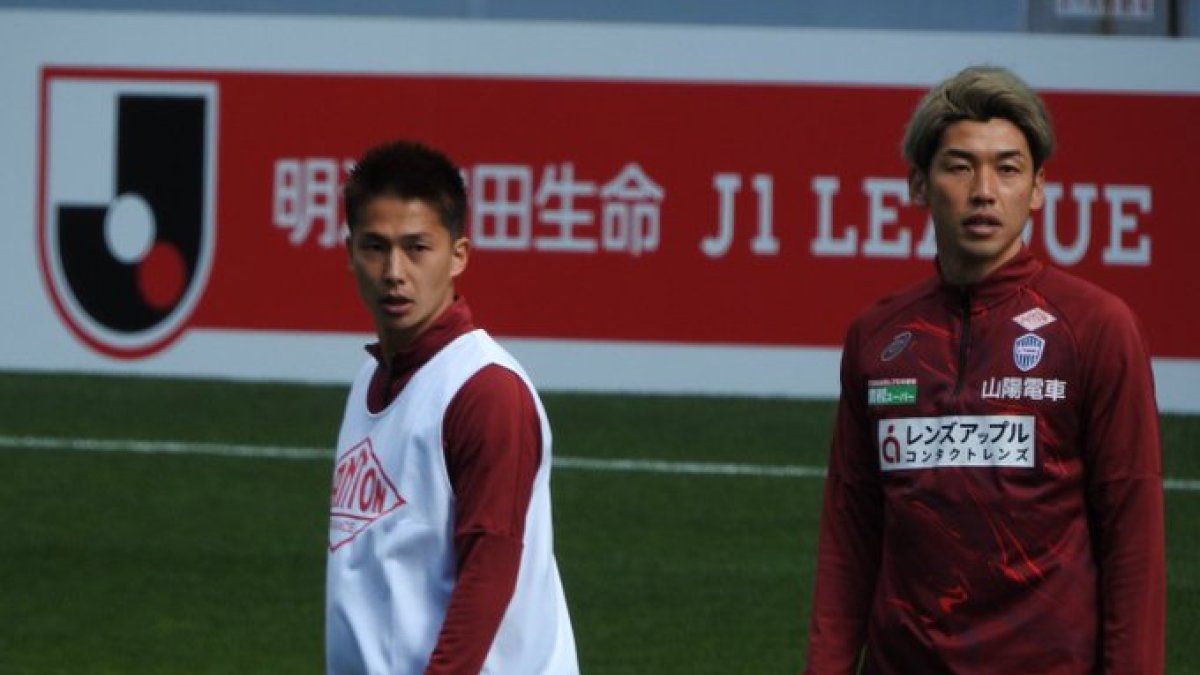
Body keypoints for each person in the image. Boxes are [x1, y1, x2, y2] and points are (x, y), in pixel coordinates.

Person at [804, 66, 1165, 674]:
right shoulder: (878, 336)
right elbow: (851, 529)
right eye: (959, 166)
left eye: (1007, 168)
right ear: (920, 184)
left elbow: (1133, 538)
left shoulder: (1098, 327)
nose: (983, 191)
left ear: (1039, 188)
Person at [325, 139, 579, 674]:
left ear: (458, 254)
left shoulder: (485, 392)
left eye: (417, 248)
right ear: (349, 254)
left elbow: (489, 572)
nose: (395, 271)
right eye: (375, 247)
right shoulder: (369, 379)